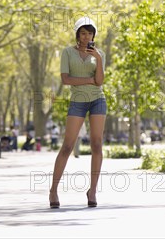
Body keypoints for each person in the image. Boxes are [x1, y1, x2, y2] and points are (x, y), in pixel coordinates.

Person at [49, 16, 106, 208]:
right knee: (67, 146)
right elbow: (66, 79)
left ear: (93, 35)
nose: (86, 36)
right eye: (83, 33)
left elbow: (99, 81)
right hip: (78, 102)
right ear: (77, 35)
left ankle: (93, 191)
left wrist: (97, 58)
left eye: (89, 33)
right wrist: (88, 81)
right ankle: (53, 190)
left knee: (97, 145)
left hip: (98, 100)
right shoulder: (67, 53)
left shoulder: (99, 54)